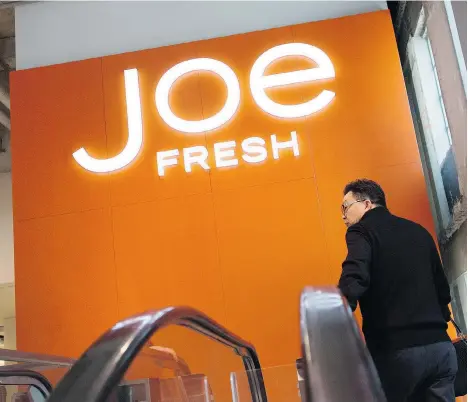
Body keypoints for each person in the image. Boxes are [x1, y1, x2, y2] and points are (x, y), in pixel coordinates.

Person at [338, 179, 457, 402]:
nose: (343, 215)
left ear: (366, 204)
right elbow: (442, 289)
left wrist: (336, 314)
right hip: (441, 349)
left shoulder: (361, 231)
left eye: (345, 207)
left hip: (397, 352)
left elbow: (355, 277)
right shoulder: (419, 232)